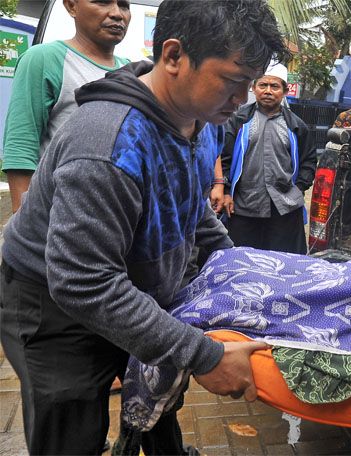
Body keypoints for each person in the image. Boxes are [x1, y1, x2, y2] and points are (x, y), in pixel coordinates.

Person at [0, 0, 287, 453]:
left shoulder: (201, 119)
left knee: (157, 392)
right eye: (233, 83)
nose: (242, 100)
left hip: (128, 281)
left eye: (250, 84)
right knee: (70, 419)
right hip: (52, 297)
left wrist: (244, 269)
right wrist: (205, 355)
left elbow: (194, 211)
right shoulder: (108, 143)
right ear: (173, 57)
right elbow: (82, 280)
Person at [2, 0, 131, 214]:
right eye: (102, 2)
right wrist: (23, 219)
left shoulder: (131, 70)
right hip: (58, 216)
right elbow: (21, 145)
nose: (117, 14)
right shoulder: (44, 59)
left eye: (124, 5)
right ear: (71, 6)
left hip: (113, 218)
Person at [218, 63, 316, 254]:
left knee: (283, 265)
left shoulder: (297, 126)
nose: (268, 91)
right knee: (240, 262)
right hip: (243, 207)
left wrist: (298, 189)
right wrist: (227, 191)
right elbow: (224, 157)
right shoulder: (239, 121)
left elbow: (309, 161)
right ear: (253, 88)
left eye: (275, 86)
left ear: (285, 91)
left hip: (284, 209)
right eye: (263, 85)